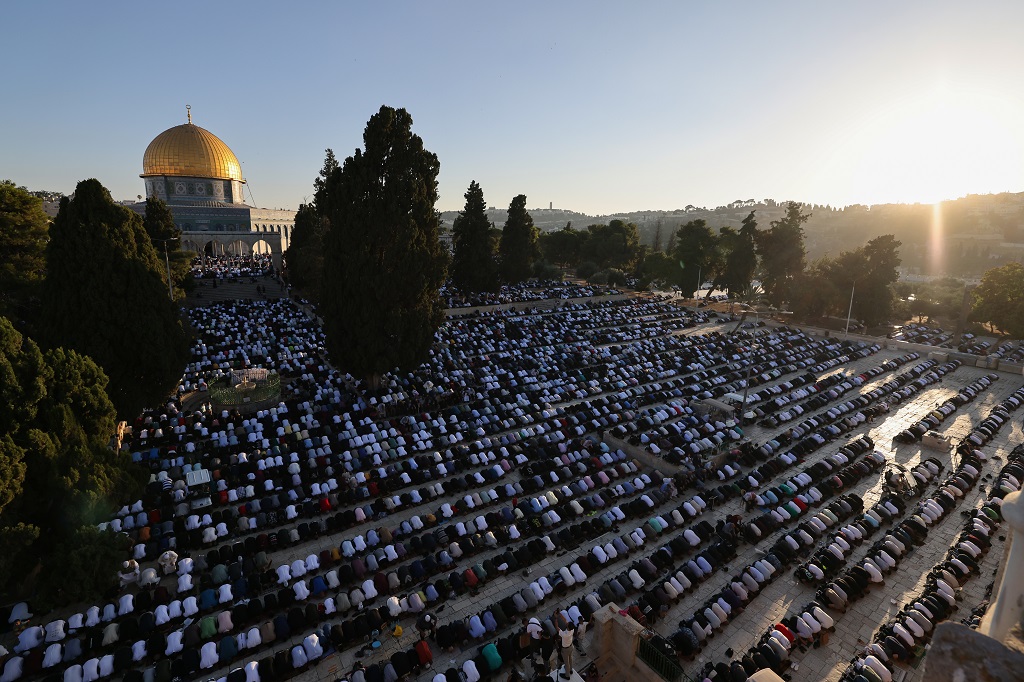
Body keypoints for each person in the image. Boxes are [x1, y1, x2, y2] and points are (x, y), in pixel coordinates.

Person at [555, 612, 575, 679]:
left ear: (568, 627)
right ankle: (571, 670)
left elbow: (557, 627)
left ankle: (567, 675)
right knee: (570, 659)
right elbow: (566, 621)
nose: (567, 623)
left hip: (565, 649)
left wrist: (556, 619)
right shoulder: (572, 630)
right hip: (571, 646)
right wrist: (560, 615)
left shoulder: (564, 634)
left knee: (566, 663)